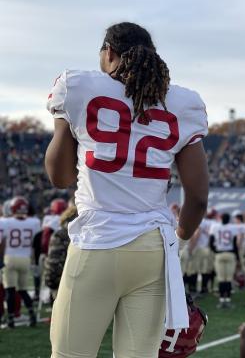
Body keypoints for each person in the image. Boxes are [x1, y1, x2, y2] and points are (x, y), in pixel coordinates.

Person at [45, 22, 209, 357]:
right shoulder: (184, 102)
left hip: (97, 240)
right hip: (153, 247)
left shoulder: (76, 85)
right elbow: (198, 196)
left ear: (108, 52)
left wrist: (65, 120)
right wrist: (176, 239)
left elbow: (60, 176)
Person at [0, 196, 41, 328]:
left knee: (10, 291)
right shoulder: (34, 222)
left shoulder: (4, 222)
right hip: (25, 259)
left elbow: (2, 242)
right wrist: (35, 261)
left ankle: (11, 319)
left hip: (10, 258)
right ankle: (32, 315)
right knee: (23, 290)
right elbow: (36, 244)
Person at [210, 212, 240, 308]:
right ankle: (227, 300)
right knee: (228, 278)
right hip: (230, 254)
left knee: (221, 278)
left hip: (219, 254)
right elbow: (235, 244)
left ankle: (222, 300)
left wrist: (216, 251)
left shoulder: (215, 227)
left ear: (221, 218)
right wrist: (237, 256)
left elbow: (211, 242)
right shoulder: (233, 228)